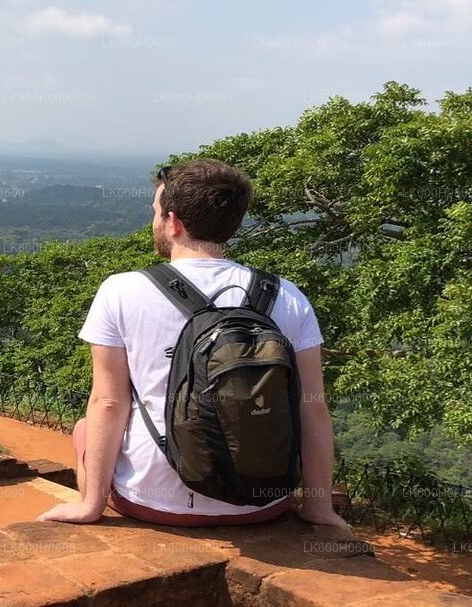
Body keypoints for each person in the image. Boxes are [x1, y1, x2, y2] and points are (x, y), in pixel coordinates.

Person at [38, 158, 349, 529]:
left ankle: (90, 499)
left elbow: (108, 402)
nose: (153, 221)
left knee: (84, 428)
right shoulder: (287, 295)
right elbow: (311, 407)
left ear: (174, 222)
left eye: (156, 212)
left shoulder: (122, 290)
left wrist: (91, 505)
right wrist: (319, 509)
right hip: (260, 503)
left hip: (152, 502)